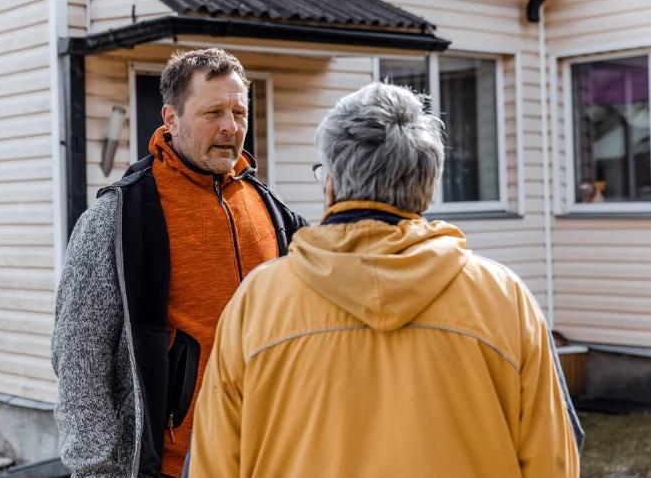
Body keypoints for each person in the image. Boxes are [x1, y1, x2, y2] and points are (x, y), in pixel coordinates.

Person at [189, 82, 583, 477]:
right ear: (427, 188)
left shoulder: (258, 302)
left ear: (331, 185)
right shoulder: (503, 298)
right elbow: (553, 462)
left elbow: (212, 464)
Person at [51, 48, 307, 477]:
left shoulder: (271, 210)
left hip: (271, 458)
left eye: (239, 113)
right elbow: (80, 362)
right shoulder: (118, 219)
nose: (230, 127)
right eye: (213, 112)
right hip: (173, 464)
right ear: (171, 118)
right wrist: (97, 470)